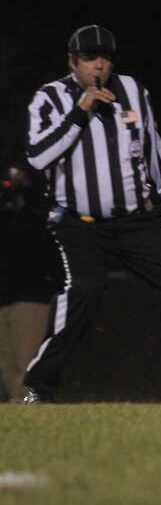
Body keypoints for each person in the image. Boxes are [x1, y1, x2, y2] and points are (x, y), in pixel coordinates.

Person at [20, 24, 161, 403]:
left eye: (105, 58)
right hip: (78, 222)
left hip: (134, 220)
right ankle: (39, 386)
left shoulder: (132, 91)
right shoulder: (50, 98)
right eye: (90, 58)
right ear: (73, 62)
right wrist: (81, 111)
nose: (99, 66)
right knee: (85, 292)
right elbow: (38, 156)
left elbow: (152, 143)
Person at [0, 164, 58, 402]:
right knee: (8, 370)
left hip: (31, 298)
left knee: (28, 366)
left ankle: (36, 417)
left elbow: (52, 256)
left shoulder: (38, 219)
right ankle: (22, 420)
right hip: (3, 297)